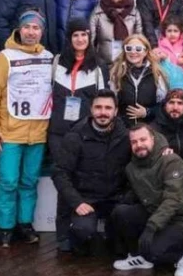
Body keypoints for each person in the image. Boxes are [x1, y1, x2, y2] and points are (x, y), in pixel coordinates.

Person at [0, 10, 53, 247]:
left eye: (36, 28)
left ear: (42, 32)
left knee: (29, 180)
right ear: (19, 29)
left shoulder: (48, 57)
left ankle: (24, 223)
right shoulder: (4, 57)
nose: (31, 32)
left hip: (38, 131)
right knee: (7, 181)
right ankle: (5, 226)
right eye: (27, 27)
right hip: (10, 131)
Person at [111, 124, 183, 276]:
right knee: (121, 213)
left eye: (143, 139)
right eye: (134, 142)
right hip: (157, 214)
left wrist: (151, 227)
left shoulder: (170, 160)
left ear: (153, 139)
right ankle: (140, 257)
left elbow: (173, 199)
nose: (139, 145)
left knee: (153, 251)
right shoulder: (131, 168)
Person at [51, 90, 129, 254]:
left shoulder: (126, 136)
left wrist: (164, 148)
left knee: (124, 238)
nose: (103, 112)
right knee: (82, 233)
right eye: (98, 107)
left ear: (115, 111)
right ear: (91, 109)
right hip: (85, 199)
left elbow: (150, 140)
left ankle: (112, 235)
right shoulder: (75, 136)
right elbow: (60, 173)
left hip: (114, 198)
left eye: (108, 108)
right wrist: (77, 202)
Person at [49, 18, 108, 158]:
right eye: (75, 35)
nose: (80, 39)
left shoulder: (99, 65)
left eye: (84, 34)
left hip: (86, 132)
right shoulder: (56, 62)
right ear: (69, 38)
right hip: (58, 132)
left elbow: (104, 101)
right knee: (61, 173)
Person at [110, 34, 168, 126]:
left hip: (149, 127)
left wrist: (147, 112)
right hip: (123, 127)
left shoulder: (157, 73)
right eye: (129, 48)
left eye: (138, 49)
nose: (133, 52)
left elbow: (164, 105)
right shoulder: (116, 73)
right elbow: (111, 103)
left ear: (145, 52)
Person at [89, 0, 143, 64]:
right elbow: (91, 41)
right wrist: (95, 62)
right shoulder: (97, 12)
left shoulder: (134, 13)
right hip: (103, 64)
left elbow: (140, 39)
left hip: (128, 63)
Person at [152, 89, 183, 171]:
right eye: (171, 102)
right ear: (165, 106)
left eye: (180, 103)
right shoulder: (154, 130)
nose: (175, 107)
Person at [155, 21, 183, 92]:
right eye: (169, 31)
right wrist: (158, 58)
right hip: (162, 87)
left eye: (175, 31)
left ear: (181, 32)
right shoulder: (159, 46)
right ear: (164, 32)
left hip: (180, 87)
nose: (172, 34)